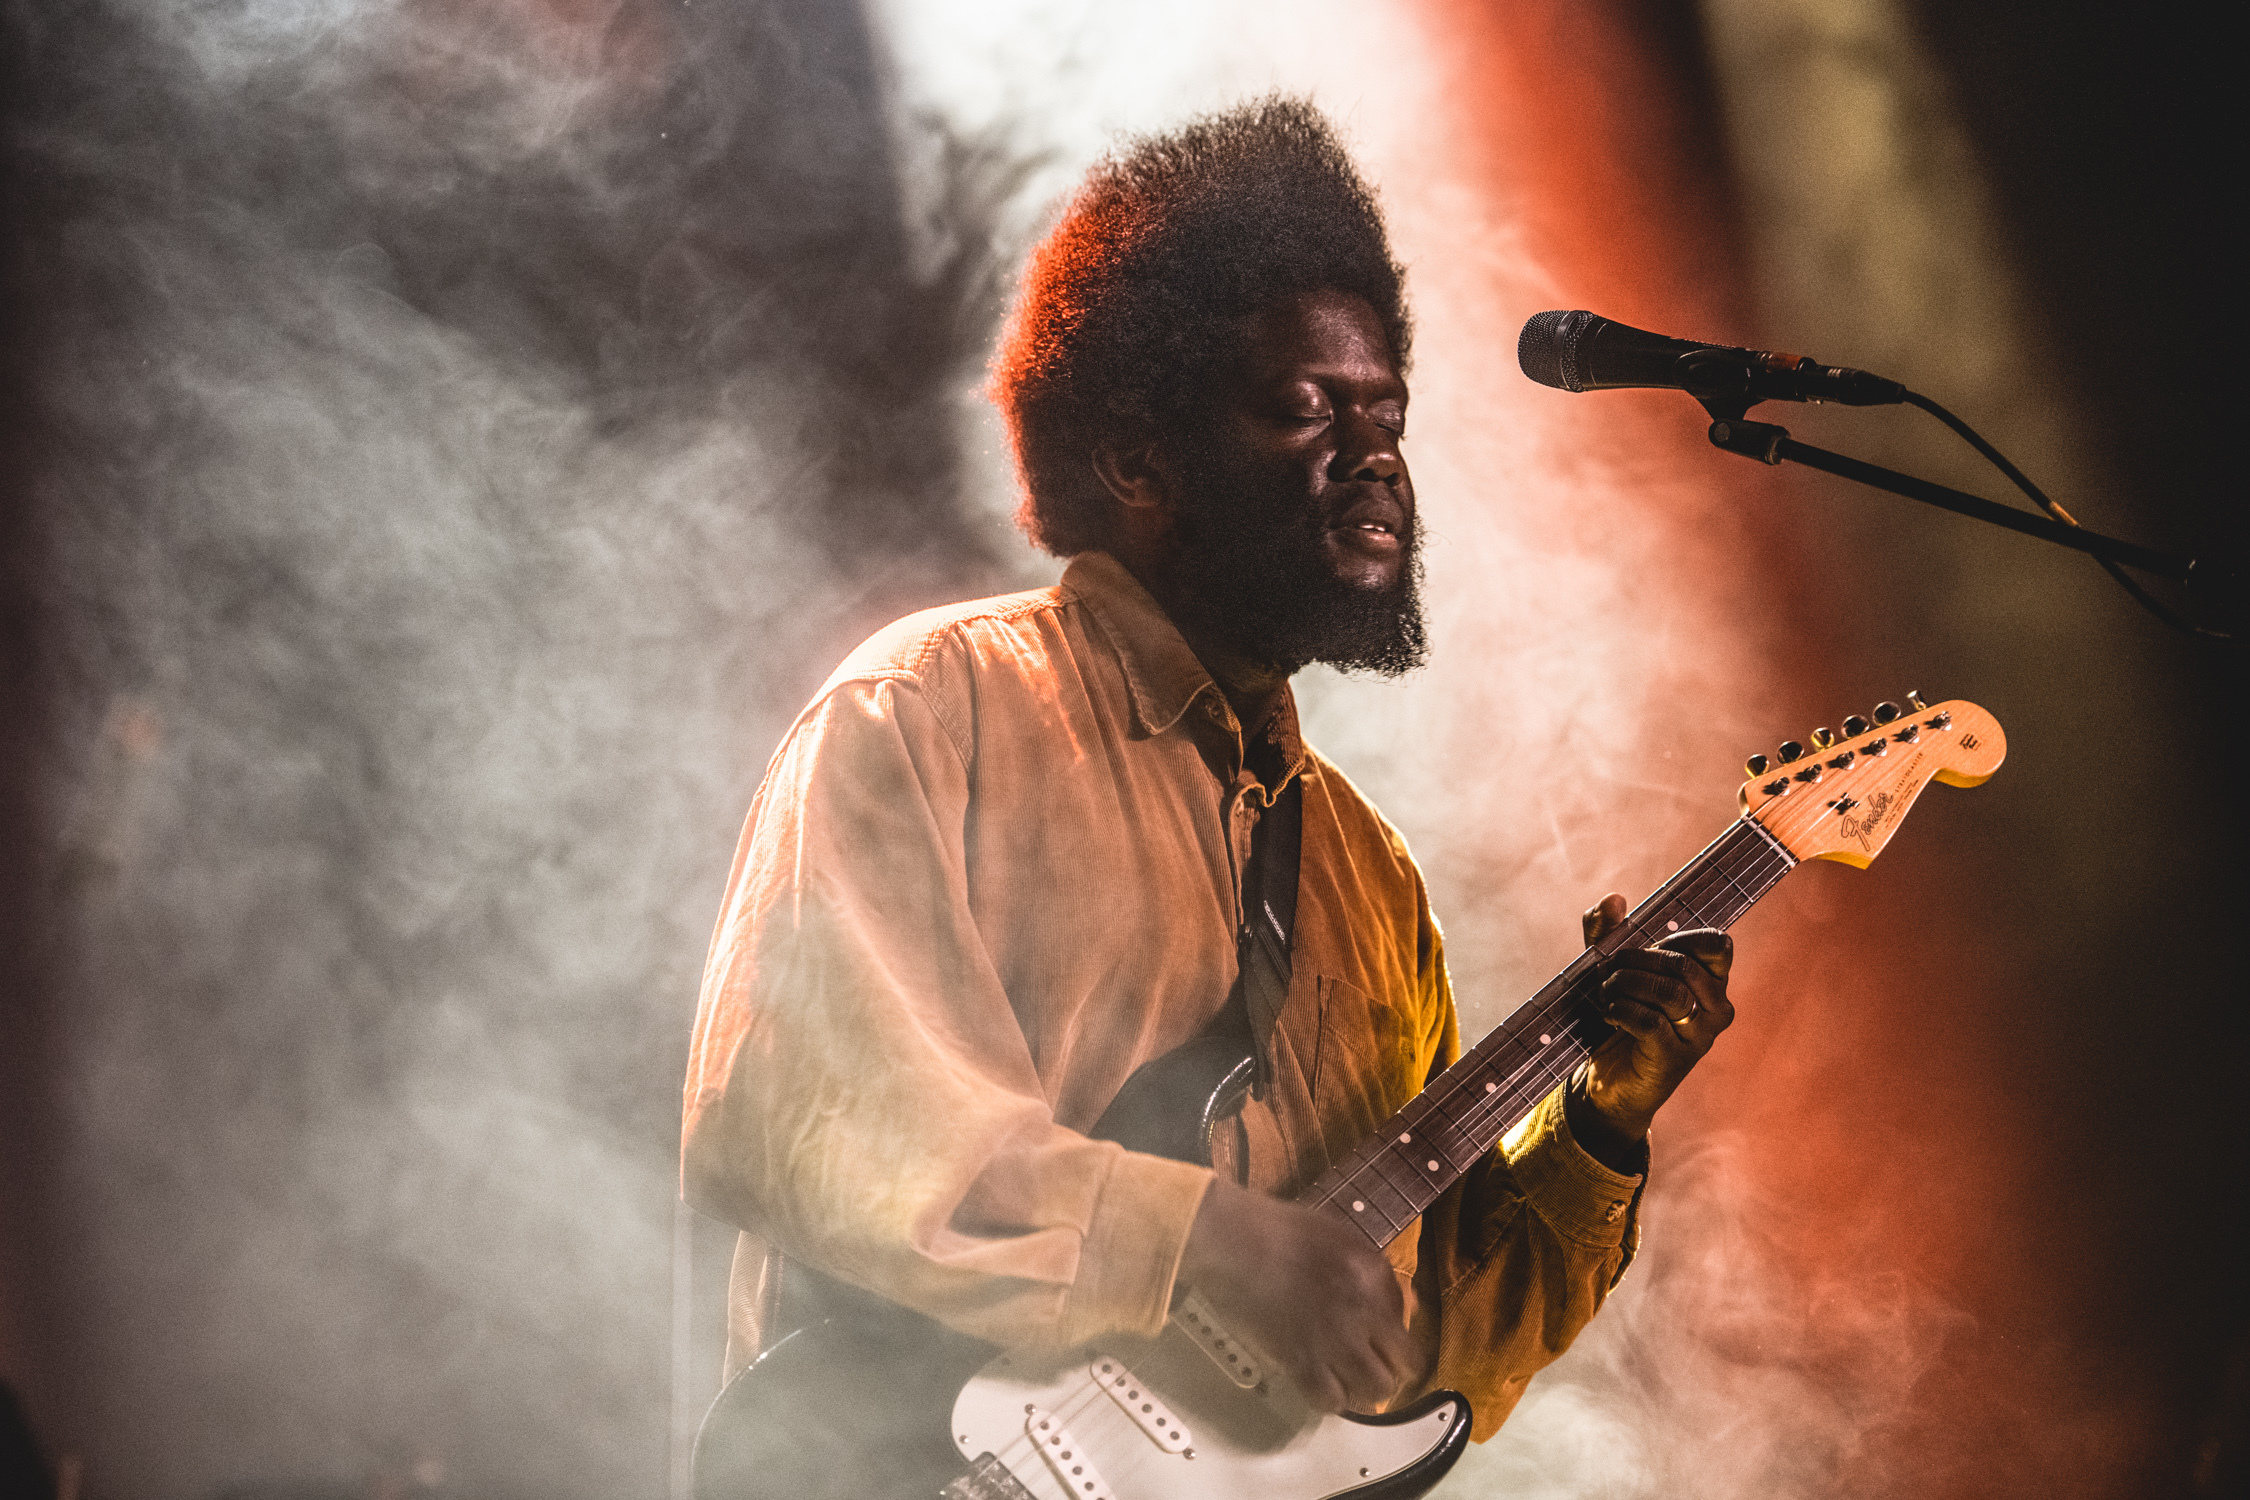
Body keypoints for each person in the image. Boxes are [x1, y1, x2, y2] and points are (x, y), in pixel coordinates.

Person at [681, 96, 1734, 1452]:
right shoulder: (933, 707)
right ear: (1137, 458)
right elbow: (816, 1121)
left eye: (1386, 414)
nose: (1372, 456)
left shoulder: (1368, 874)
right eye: (1305, 408)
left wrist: (1597, 1130)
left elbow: (1415, 1361)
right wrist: (1211, 1243)